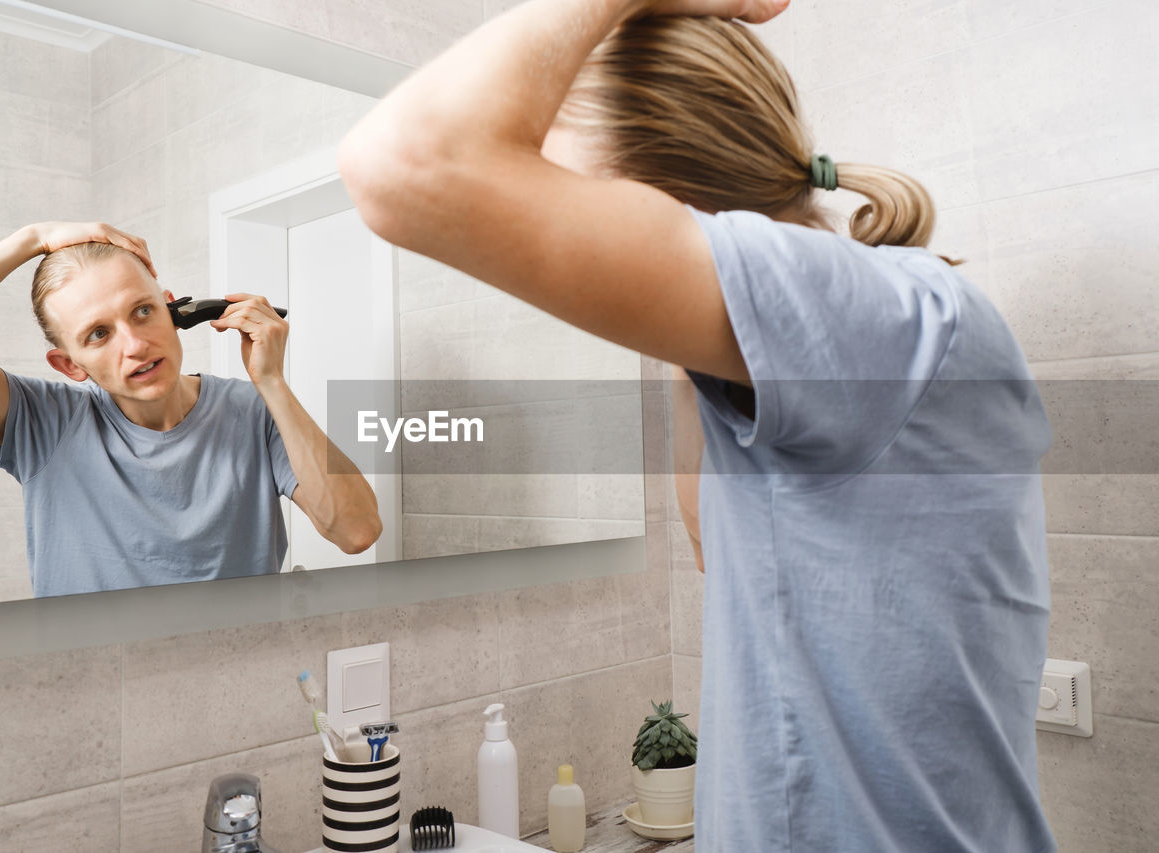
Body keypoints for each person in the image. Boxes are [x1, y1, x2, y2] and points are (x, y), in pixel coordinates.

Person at [336, 0, 1056, 850]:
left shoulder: (886, 315)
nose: (545, 225)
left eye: (557, 180)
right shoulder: (803, 365)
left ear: (655, 193)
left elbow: (405, 165)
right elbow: (724, 551)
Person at [0, 222, 382, 597]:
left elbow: (356, 531)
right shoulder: (42, 421)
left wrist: (271, 383)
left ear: (173, 311)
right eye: (98, 334)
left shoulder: (255, 412)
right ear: (70, 364)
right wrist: (31, 238)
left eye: (143, 310)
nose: (136, 344)